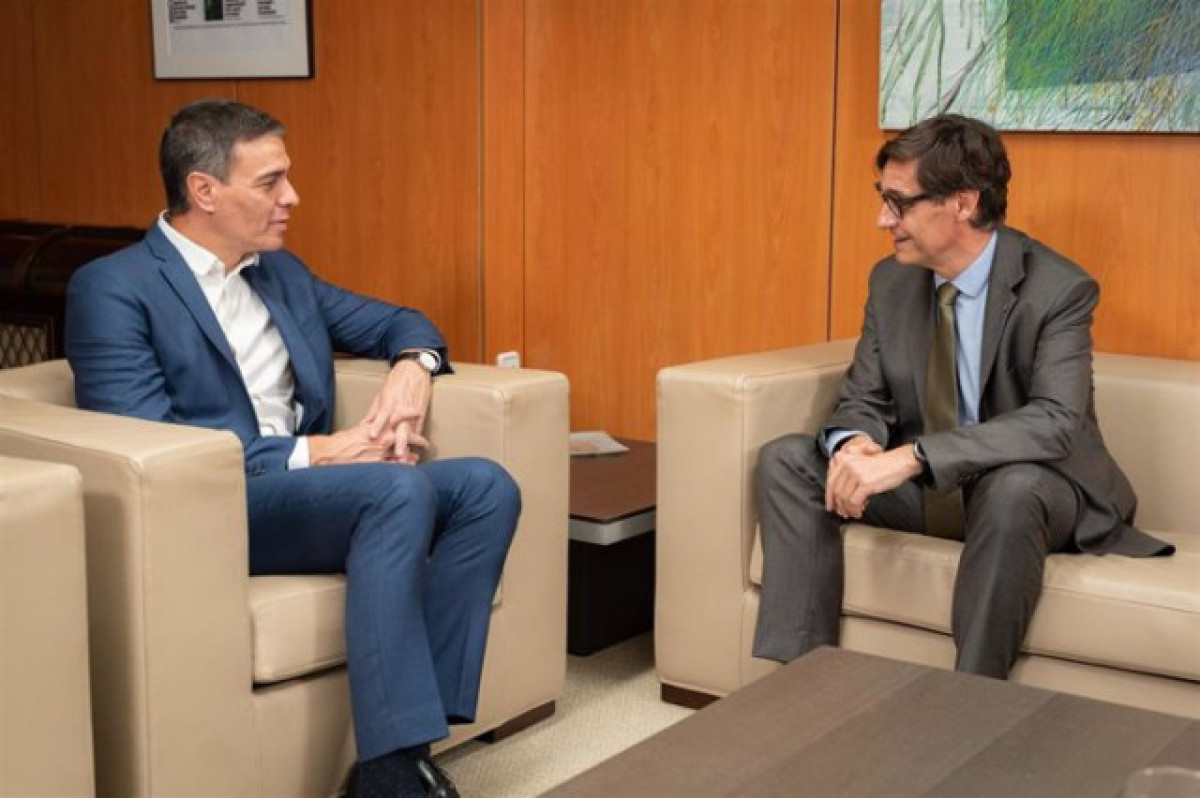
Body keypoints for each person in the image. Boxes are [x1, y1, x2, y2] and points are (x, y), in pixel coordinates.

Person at [65, 98, 520, 798]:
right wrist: (320, 453)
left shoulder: (280, 272)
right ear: (204, 190)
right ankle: (396, 773)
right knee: (396, 487)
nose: (292, 197)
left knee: (486, 487)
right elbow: (151, 446)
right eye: (270, 182)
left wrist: (413, 367)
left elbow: (403, 321)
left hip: (310, 494)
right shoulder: (114, 288)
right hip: (213, 506)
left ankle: (398, 757)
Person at [752, 113, 1172, 679]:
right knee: (787, 460)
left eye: (900, 203)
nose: (883, 219)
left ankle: (970, 702)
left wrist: (914, 456)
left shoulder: (1057, 288)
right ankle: (802, 683)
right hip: (933, 491)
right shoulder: (891, 281)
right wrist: (856, 446)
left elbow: (1054, 422)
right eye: (883, 198)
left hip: (1031, 492)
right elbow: (864, 396)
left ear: (964, 203)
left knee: (1013, 488)